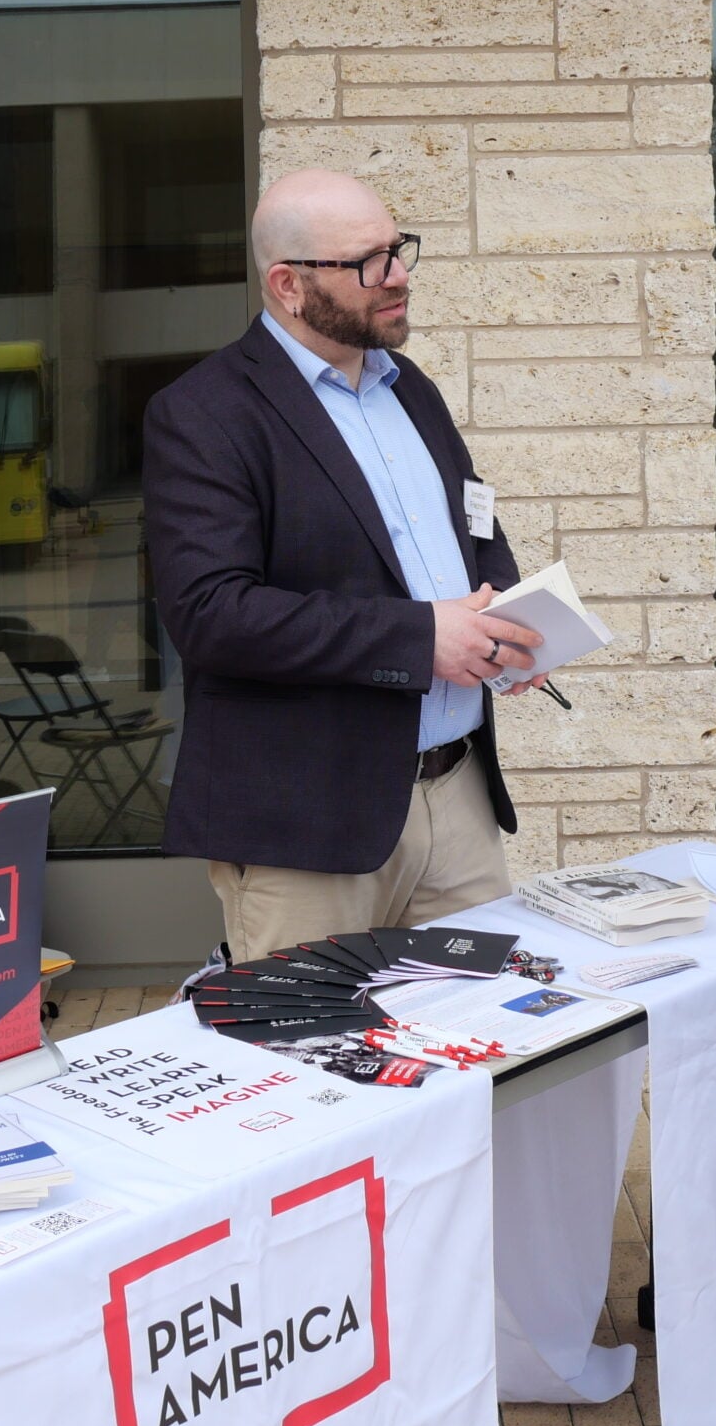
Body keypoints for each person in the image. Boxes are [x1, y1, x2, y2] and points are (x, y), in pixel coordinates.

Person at [142, 169, 543, 964]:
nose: (397, 277)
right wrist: (421, 638)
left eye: (398, 252)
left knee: (490, 1049)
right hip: (307, 829)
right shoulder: (204, 413)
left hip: (457, 801)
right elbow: (213, 614)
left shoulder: (410, 389)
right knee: (316, 1065)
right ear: (288, 285)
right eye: (368, 262)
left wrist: (505, 617)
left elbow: (472, 522)